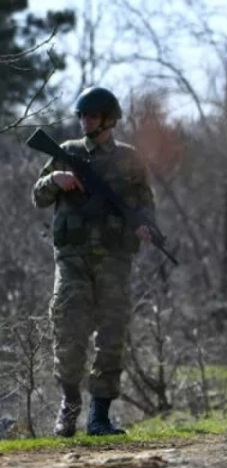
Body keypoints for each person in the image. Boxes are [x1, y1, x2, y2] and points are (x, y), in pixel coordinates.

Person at [32, 86, 156, 437]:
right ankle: (69, 407)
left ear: (109, 120)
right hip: (72, 260)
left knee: (112, 335)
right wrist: (54, 179)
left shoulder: (130, 159)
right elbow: (38, 197)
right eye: (83, 116)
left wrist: (147, 227)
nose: (86, 121)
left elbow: (146, 204)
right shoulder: (67, 152)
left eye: (93, 116)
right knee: (69, 332)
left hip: (115, 260)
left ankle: (99, 416)